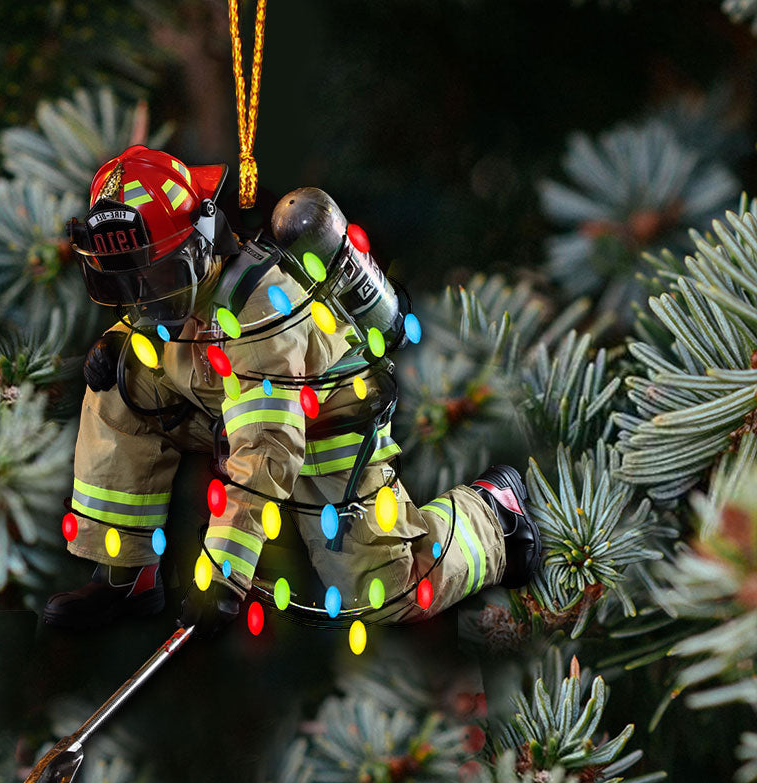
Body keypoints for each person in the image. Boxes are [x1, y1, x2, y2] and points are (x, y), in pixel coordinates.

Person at [44, 144, 541, 636]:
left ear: (201, 245)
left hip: (325, 418)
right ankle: (123, 572)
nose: (144, 300)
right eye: (125, 286)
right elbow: (160, 314)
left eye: (159, 277)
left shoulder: (263, 318)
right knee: (118, 382)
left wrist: (223, 572)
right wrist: (120, 344)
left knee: (384, 591)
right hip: (224, 389)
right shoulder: (182, 291)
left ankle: (493, 515)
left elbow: (265, 452)